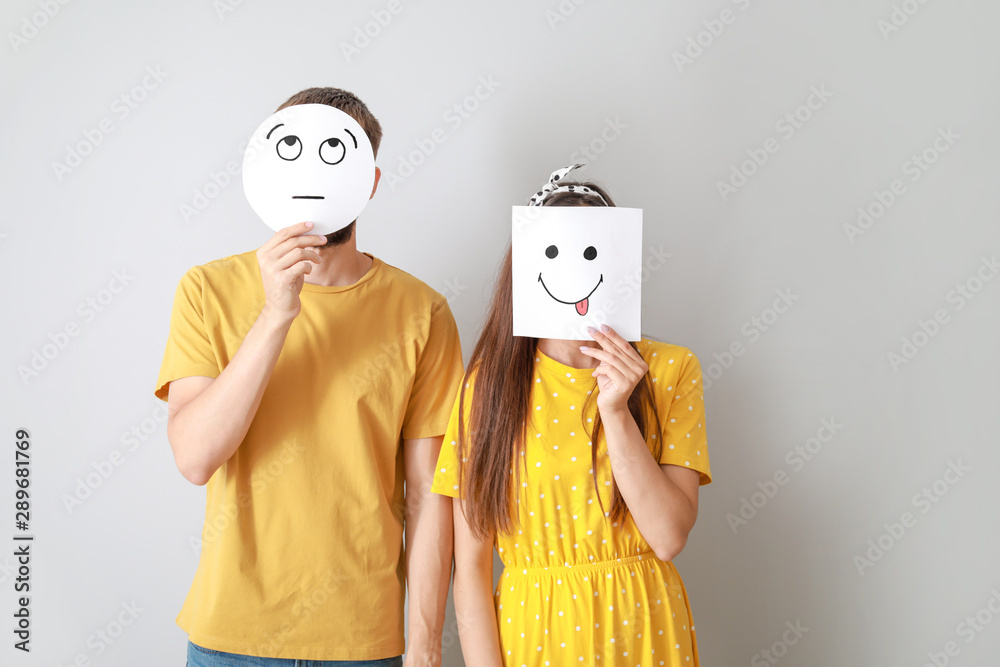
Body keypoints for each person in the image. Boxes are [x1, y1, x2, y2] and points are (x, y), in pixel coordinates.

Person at [154, 87, 463, 666]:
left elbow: (428, 496)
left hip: (363, 643)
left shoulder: (423, 312)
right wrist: (276, 314)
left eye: (336, 156)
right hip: (232, 640)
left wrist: (425, 646)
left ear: (369, 181)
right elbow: (194, 458)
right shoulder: (207, 290)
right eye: (293, 153)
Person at [431, 165, 713, 665]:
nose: (574, 272)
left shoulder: (672, 369)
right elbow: (470, 569)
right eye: (555, 254)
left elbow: (668, 537)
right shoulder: (486, 388)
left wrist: (617, 411)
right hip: (535, 635)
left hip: (645, 631)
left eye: (592, 254)